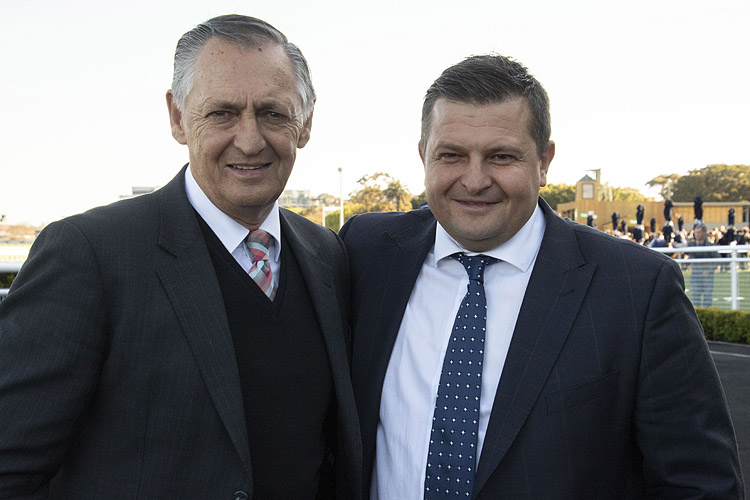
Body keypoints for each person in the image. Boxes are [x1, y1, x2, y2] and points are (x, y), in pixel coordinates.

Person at [340, 55, 744, 499]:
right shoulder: (366, 250)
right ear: (423, 156)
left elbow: (700, 483)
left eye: (501, 157)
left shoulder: (635, 289)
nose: (474, 181)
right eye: (451, 155)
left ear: (545, 160)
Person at [0, 15, 361, 500]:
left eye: (274, 113)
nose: (250, 140)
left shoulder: (327, 255)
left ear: (307, 122)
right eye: (222, 113)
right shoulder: (90, 254)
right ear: (177, 118)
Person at [688, 221, 720, 308]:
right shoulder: (691, 245)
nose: (697, 234)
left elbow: (718, 259)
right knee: (695, 298)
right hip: (695, 276)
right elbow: (682, 247)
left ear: (704, 233)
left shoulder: (710, 246)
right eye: (695, 232)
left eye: (699, 232)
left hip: (707, 277)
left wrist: (709, 270)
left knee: (707, 297)